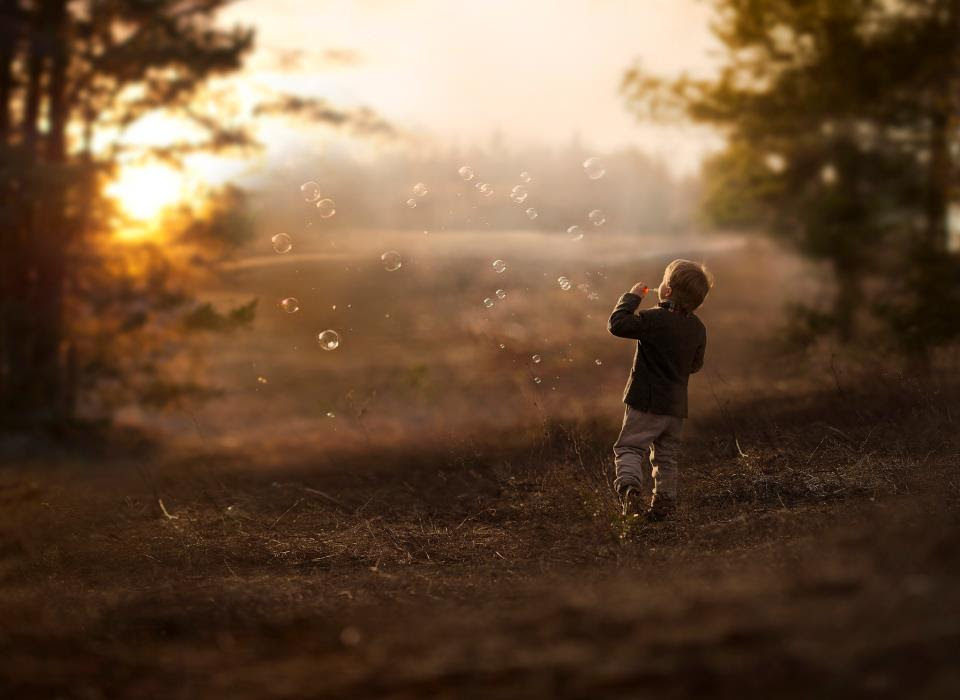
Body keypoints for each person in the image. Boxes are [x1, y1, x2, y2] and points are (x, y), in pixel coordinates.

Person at [607, 259, 712, 520]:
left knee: (630, 448)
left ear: (666, 291)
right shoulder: (698, 329)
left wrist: (632, 297)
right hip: (675, 408)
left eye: (664, 280)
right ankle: (664, 503)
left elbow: (617, 324)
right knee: (666, 457)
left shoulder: (652, 319)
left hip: (646, 402)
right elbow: (695, 365)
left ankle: (630, 488)